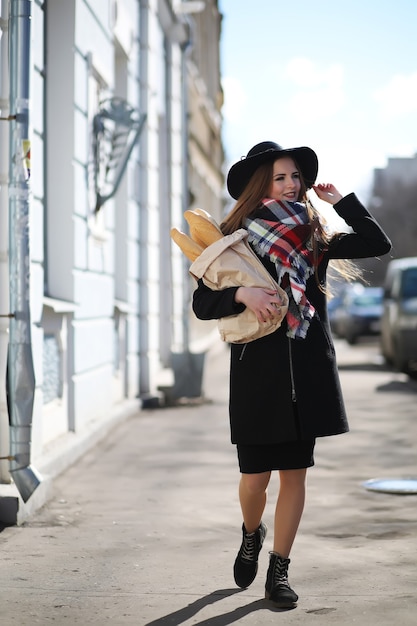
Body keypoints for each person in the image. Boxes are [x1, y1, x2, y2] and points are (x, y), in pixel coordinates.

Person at [192, 141, 391, 609]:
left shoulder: (316, 239)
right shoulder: (233, 238)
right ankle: (250, 533)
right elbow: (202, 304)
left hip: (306, 373)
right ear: (261, 186)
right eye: (280, 177)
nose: (291, 185)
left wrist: (340, 201)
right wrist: (242, 294)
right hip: (256, 377)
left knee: (295, 476)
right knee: (255, 480)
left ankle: (278, 571)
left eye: (295, 177)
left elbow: (378, 243)